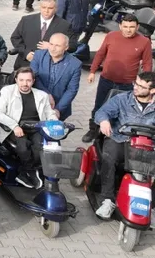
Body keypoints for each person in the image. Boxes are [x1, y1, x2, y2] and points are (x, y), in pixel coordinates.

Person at [92, 72, 155, 219]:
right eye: (135, 83)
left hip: (147, 146)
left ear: (152, 90)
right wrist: (104, 121)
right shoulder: (122, 99)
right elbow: (102, 112)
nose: (135, 87)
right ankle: (107, 200)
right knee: (109, 157)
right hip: (121, 140)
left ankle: (150, 206)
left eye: (141, 86)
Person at [83, 14, 153, 143]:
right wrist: (92, 71)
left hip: (128, 84)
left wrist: (148, 84)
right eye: (125, 26)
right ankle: (93, 130)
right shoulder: (111, 36)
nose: (128, 30)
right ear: (120, 26)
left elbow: (147, 64)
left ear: (137, 27)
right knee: (99, 106)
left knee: (122, 110)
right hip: (106, 80)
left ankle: (113, 134)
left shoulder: (144, 41)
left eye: (131, 27)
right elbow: (100, 54)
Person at [0, 67, 58, 189]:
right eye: (21, 80)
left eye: (28, 80)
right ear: (16, 80)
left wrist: (55, 123)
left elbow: (50, 113)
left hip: (37, 127)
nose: (25, 83)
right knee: (23, 147)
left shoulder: (42, 95)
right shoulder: (7, 91)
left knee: (41, 147)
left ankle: (25, 172)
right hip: (15, 127)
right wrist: (14, 126)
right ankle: (31, 171)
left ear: (33, 81)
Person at [10, 0, 74, 69]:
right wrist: (25, 53)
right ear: (40, 7)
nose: (46, 11)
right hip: (25, 64)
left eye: (50, 8)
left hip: (50, 67)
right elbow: (15, 38)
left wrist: (52, 46)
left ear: (56, 9)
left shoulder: (64, 25)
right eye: (44, 7)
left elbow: (72, 46)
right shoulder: (26, 20)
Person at [30, 33, 81, 121]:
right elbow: (34, 77)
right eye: (51, 44)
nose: (53, 48)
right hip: (36, 104)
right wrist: (47, 94)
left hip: (58, 106)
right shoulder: (38, 55)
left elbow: (72, 90)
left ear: (66, 47)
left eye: (57, 45)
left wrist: (57, 109)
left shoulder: (75, 64)